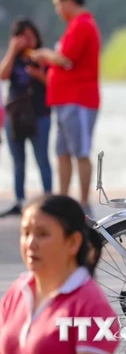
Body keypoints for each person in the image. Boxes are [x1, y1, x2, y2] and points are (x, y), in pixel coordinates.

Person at [0, 194, 119, 354]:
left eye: (42, 234)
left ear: (73, 242)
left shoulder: (90, 306)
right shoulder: (17, 291)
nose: (31, 243)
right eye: (26, 233)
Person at [30, 0, 101, 215]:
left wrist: (44, 54)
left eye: (58, 4)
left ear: (69, 1)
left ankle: (83, 204)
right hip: (64, 101)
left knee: (80, 151)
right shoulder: (73, 26)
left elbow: (63, 58)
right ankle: (62, 200)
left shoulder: (82, 25)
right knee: (62, 151)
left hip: (78, 101)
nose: (57, 9)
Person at [0, 18, 53, 217]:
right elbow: (2, 75)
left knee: (42, 159)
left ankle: (48, 199)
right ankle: (19, 200)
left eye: (30, 36)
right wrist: (13, 51)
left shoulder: (43, 57)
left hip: (40, 115)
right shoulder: (13, 58)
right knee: (18, 161)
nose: (27, 41)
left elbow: (53, 85)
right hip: (15, 115)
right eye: (22, 37)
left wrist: (39, 74)